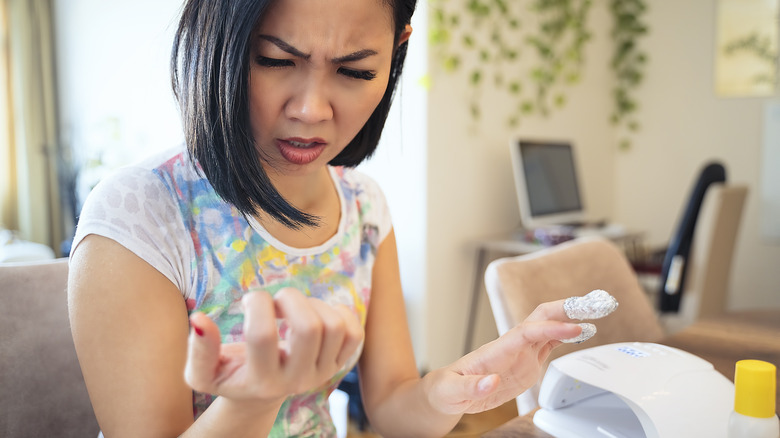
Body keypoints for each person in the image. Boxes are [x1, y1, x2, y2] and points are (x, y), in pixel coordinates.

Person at [67, 0, 590, 436]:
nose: (312, 109)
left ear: (397, 50)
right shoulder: (141, 216)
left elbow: (390, 405)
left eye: (355, 71)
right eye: (274, 60)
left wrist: (456, 386)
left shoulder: (363, 207)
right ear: (214, 40)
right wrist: (255, 400)